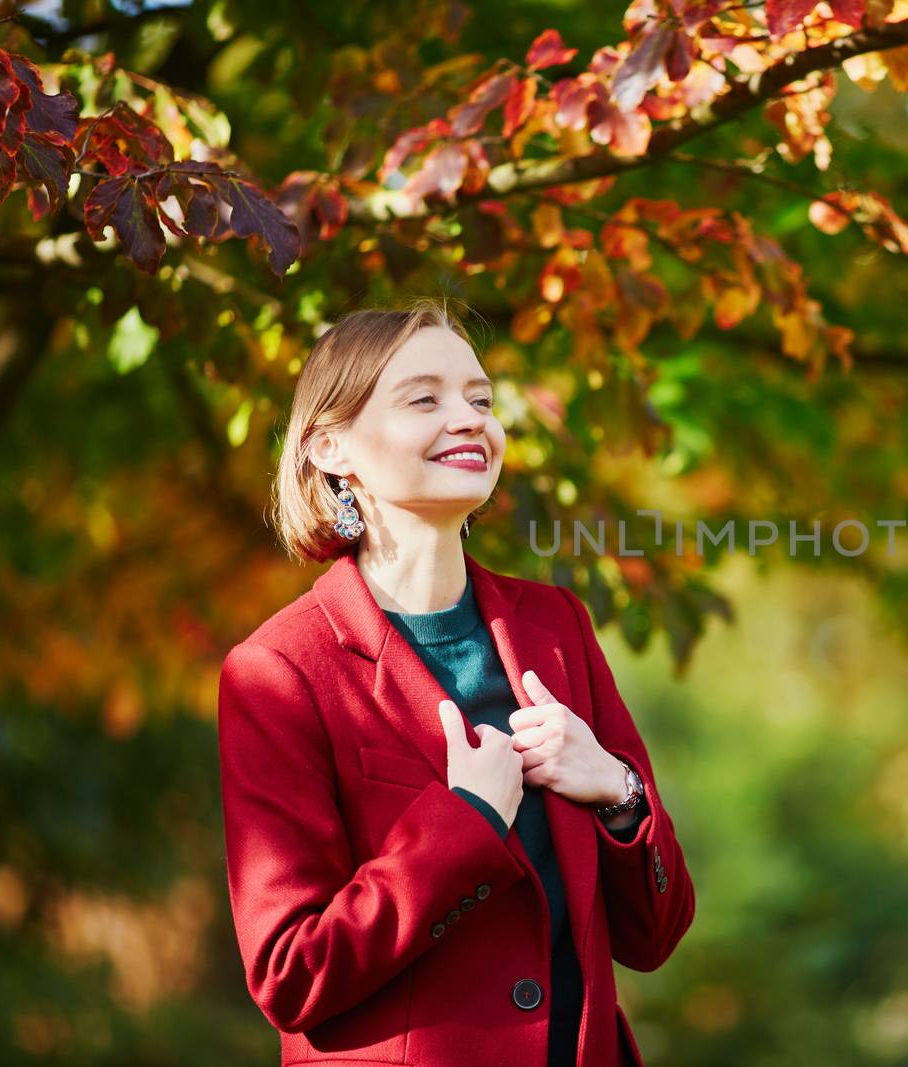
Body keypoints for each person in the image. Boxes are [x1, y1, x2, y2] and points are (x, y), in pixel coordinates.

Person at [216, 300, 694, 1066]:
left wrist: (617, 790)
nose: (469, 419)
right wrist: (464, 821)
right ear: (331, 446)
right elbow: (290, 973)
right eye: (424, 398)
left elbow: (655, 933)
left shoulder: (557, 625)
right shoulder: (281, 671)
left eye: (480, 399)